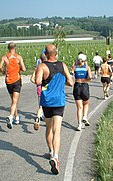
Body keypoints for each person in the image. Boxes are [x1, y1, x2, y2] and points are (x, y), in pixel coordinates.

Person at [35, 44, 73, 175]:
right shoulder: (63, 65)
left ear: (46, 54)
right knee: (57, 130)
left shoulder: (42, 66)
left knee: (49, 128)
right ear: (56, 54)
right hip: (59, 101)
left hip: (47, 101)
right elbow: (71, 82)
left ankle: (51, 151)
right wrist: (61, 81)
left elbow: (38, 81)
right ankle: (55, 157)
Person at [0, 42, 26, 129]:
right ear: (15, 48)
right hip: (16, 80)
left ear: (8, 48)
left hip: (8, 81)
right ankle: (11, 116)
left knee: (13, 100)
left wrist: (3, 71)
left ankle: (16, 117)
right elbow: (24, 69)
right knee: (14, 101)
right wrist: (19, 68)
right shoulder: (18, 57)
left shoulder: (5, 57)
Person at [71, 53, 92, 131]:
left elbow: (71, 75)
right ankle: (85, 116)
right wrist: (86, 79)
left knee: (79, 107)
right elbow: (90, 77)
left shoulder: (75, 67)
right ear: (85, 60)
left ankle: (79, 124)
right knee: (86, 103)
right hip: (84, 86)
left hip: (76, 86)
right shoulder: (87, 67)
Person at [30, 53, 47, 131]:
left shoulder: (37, 68)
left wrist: (37, 83)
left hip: (39, 88)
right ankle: (47, 121)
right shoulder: (46, 67)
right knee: (47, 106)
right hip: (46, 88)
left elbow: (31, 79)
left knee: (40, 106)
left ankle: (37, 118)